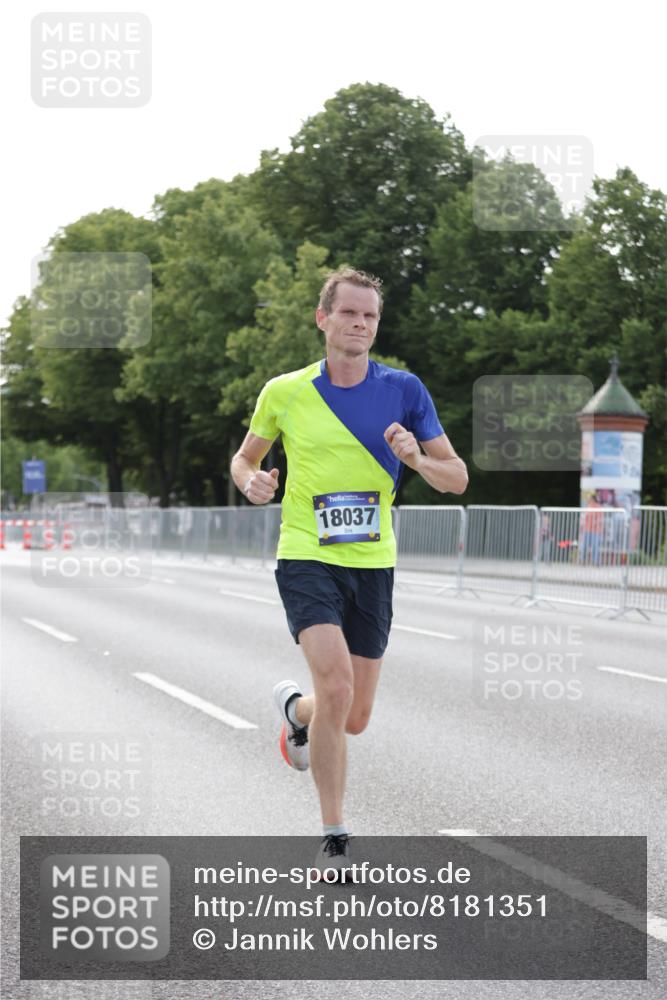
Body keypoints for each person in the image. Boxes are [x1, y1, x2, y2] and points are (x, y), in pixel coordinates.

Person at [230, 267, 468, 875]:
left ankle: (297, 713)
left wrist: (415, 457)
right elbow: (245, 458)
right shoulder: (284, 391)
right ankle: (334, 835)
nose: (360, 323)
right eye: (349, 313)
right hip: (307, 554)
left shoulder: (405, 390)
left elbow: (457, 478)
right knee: (337, 686)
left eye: (370, 316)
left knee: (353, 715)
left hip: (374, 562)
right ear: (323, 318)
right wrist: (251, 482)